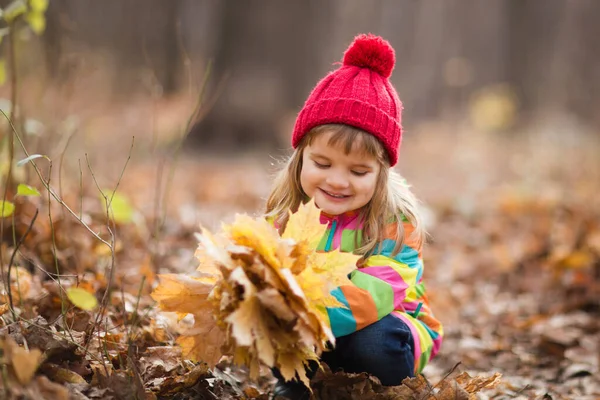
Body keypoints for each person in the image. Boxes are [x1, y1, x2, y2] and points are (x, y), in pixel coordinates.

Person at [265, 33, 443, 399]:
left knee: (377, 341)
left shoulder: (395, 223)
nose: (336, 181)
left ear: (381, 175)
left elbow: (375, 293)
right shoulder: (287, 215)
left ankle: (375, 386)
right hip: (312, 331)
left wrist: (309, 319)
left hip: (383, 327)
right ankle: (295, 383)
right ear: (301, 156)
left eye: (358, 172)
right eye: (323, 163)